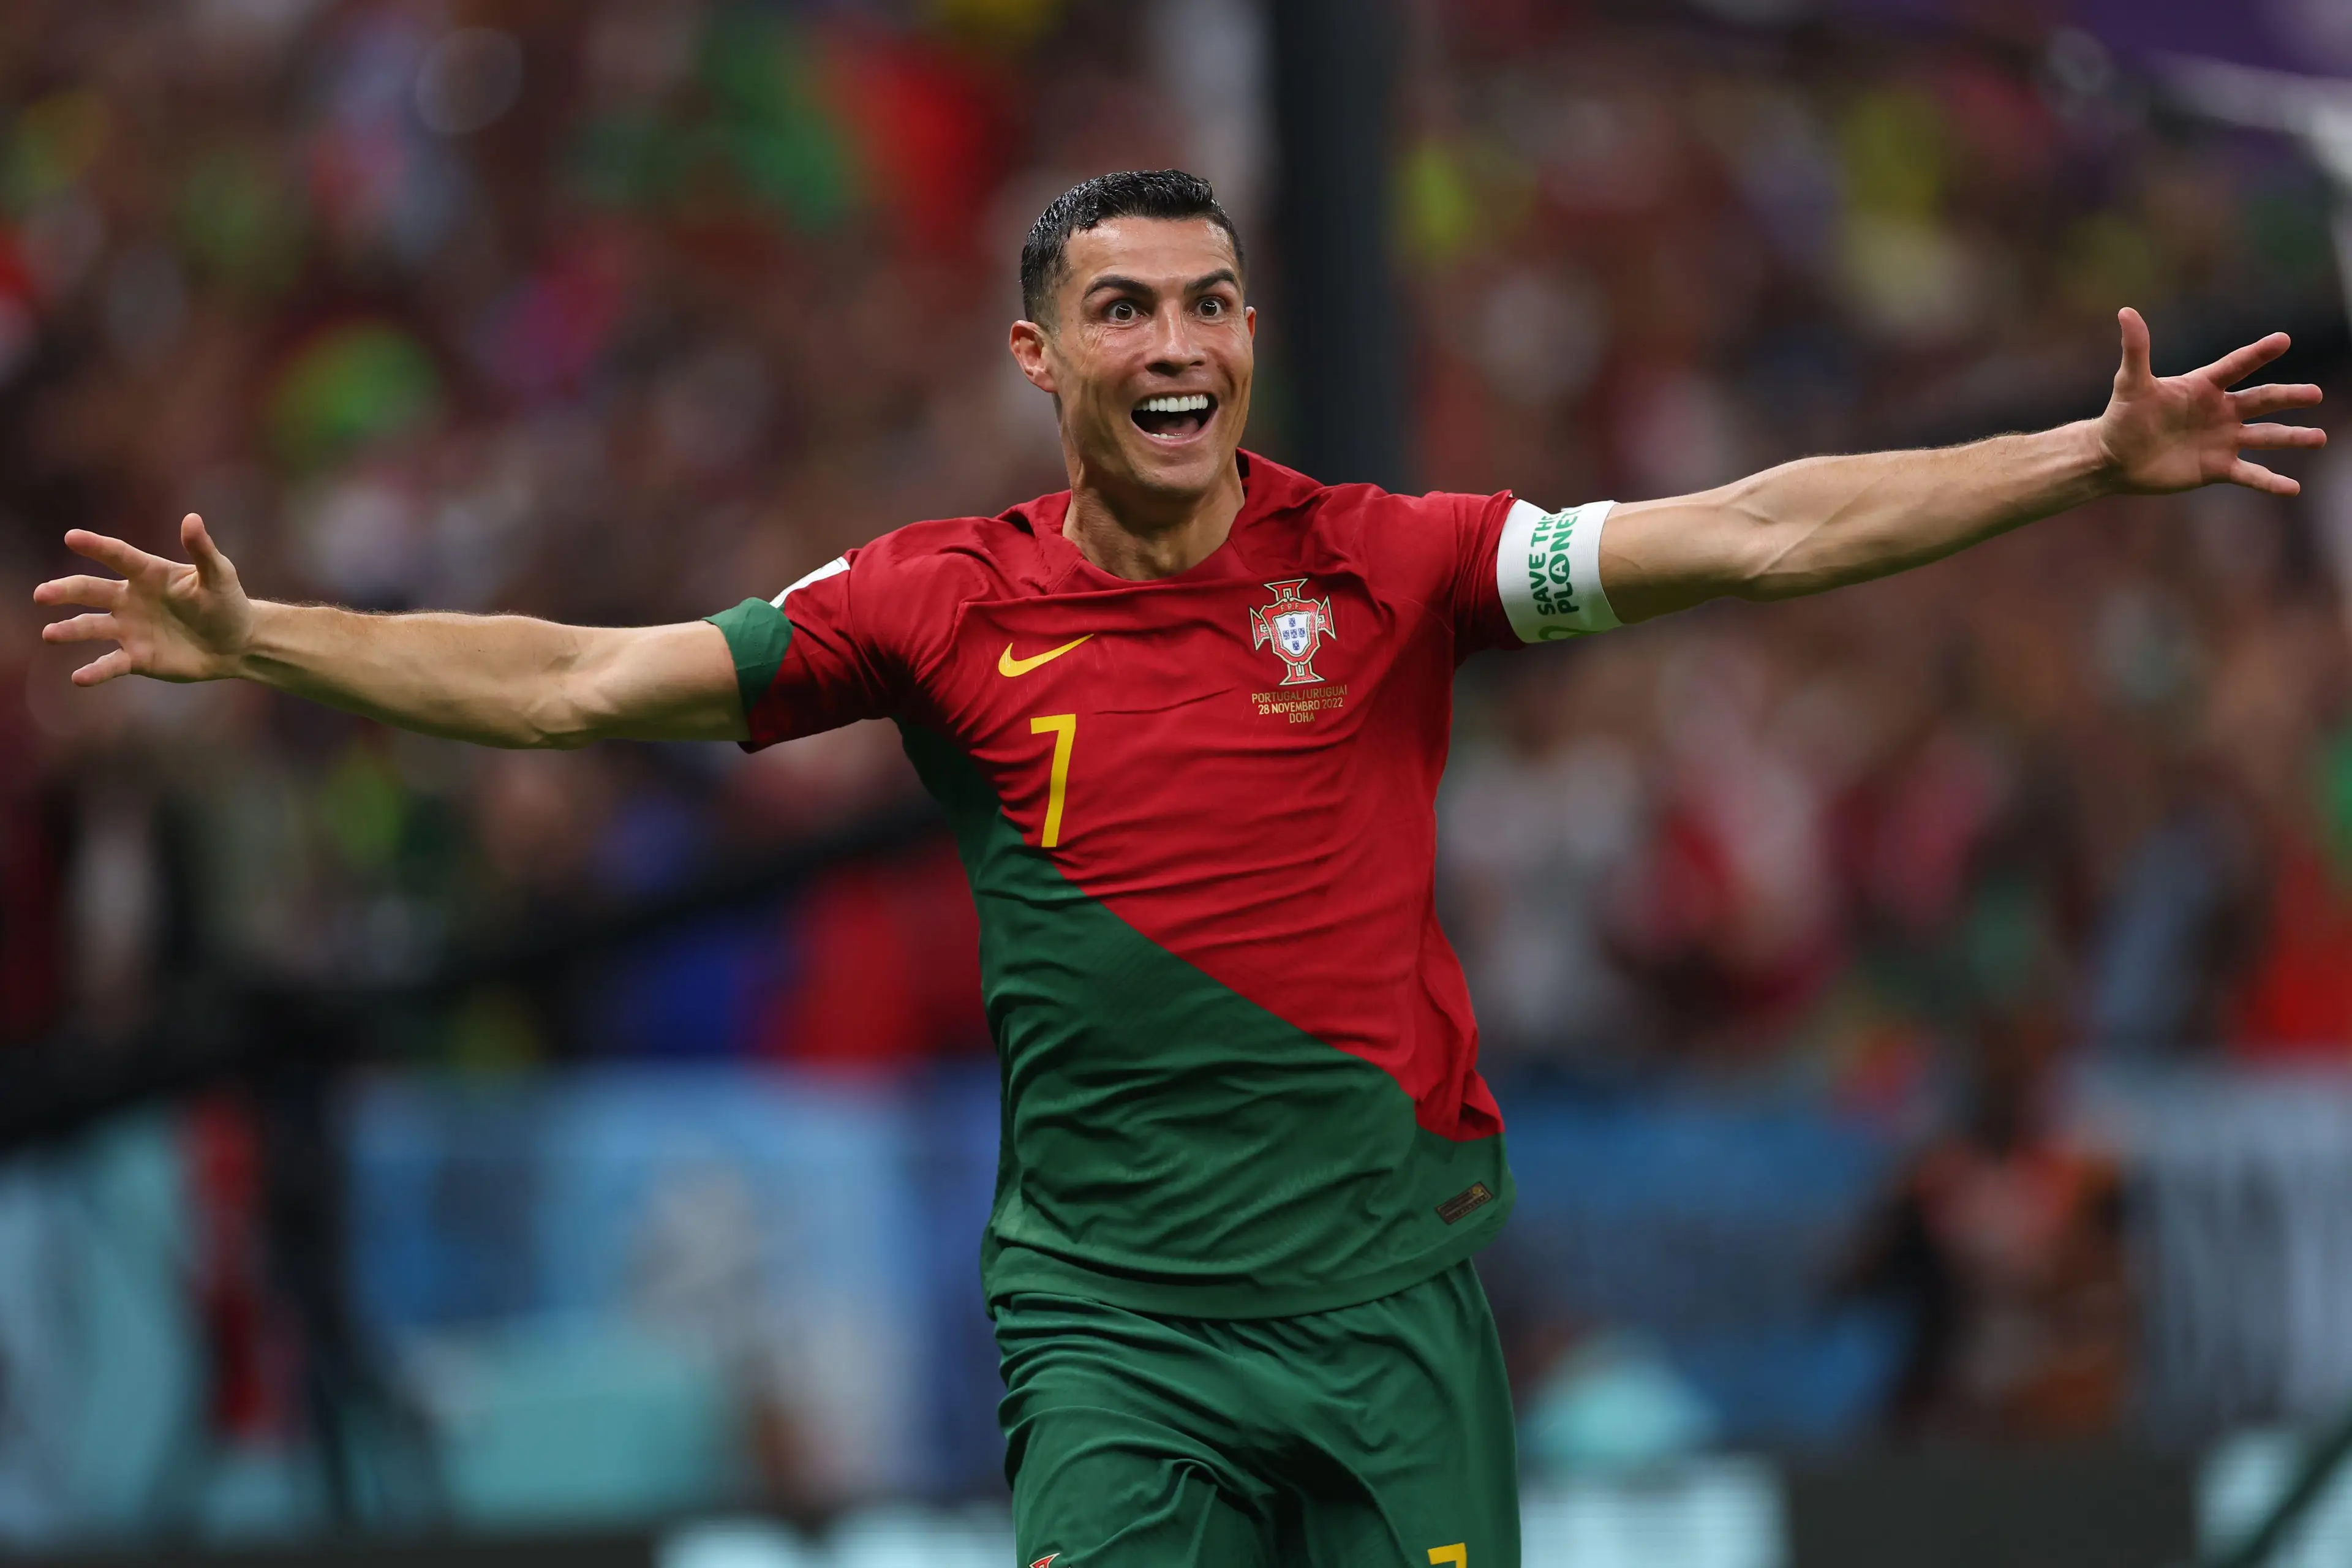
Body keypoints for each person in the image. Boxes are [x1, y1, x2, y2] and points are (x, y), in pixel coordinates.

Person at [32, 169, 2325, 1565]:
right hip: (1118, 1332)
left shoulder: (1394, 561)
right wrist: (272, 640)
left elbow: (1750, 531)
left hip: (1391, 1314)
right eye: (1125, 308)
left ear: (1250, 340)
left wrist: (2068, 464)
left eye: (1209, 304)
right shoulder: (935, 601)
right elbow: (579, 683)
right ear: (1040, 355)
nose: (1177, 344)